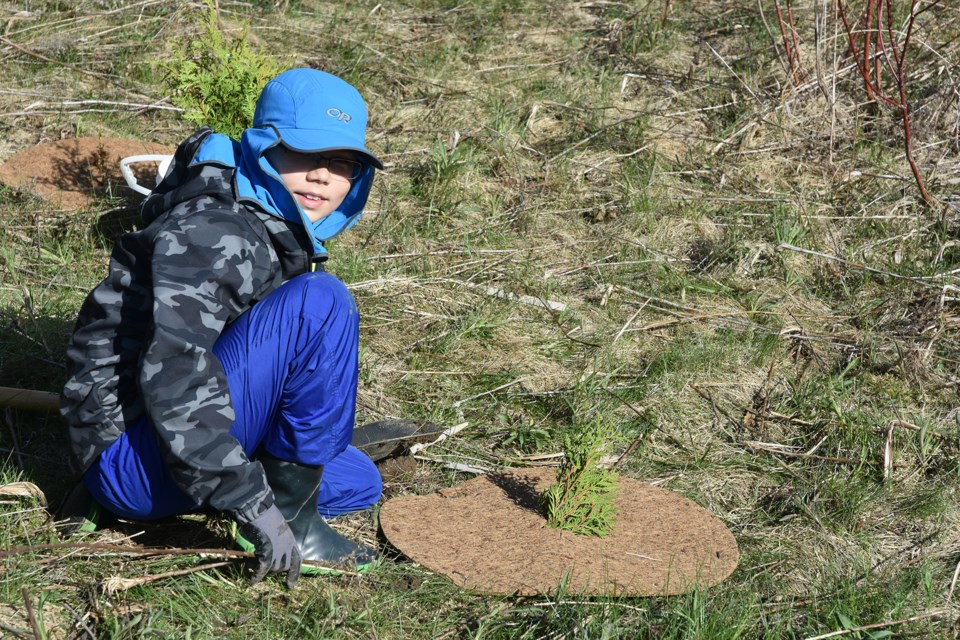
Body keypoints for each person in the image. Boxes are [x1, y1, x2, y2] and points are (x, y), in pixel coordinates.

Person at [60, 68, 386, 588]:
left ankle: (243, 495)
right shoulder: (215, 229)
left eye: (343, 163)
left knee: (358, 480)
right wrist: (252, 505)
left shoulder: (270, 226)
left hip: (173, 447)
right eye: (306, 154)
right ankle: (287, 524)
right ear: (263, 148)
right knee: (319, 302)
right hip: (129, 459)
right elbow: (174, 373)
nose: (324, 176)